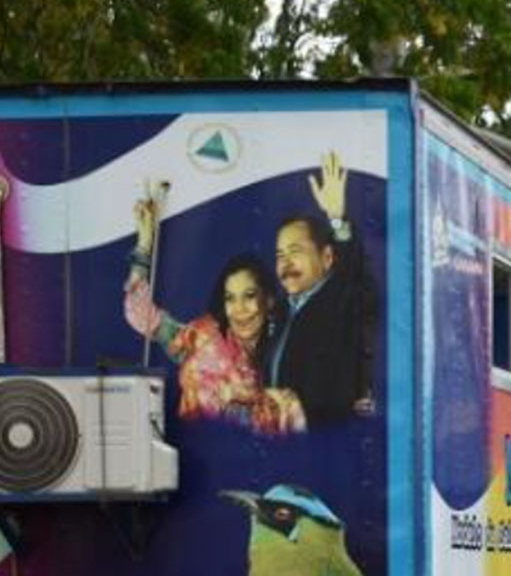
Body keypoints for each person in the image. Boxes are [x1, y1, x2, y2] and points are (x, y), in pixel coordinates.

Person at [124, 197, 305, 434]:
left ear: (268, 300)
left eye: (249, 295)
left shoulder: (286, 350)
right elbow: (140, 314)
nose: (239, 309)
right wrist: (144, 246)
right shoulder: (203, 340)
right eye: (230, 298)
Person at [264, 151, 379, 428]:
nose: (286, 263)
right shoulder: (279, 312)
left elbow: (354, 278)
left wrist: (337, 219)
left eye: (295, 252)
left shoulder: (341, 301)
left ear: (327, 258)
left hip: (323, 445)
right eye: (280, 256)